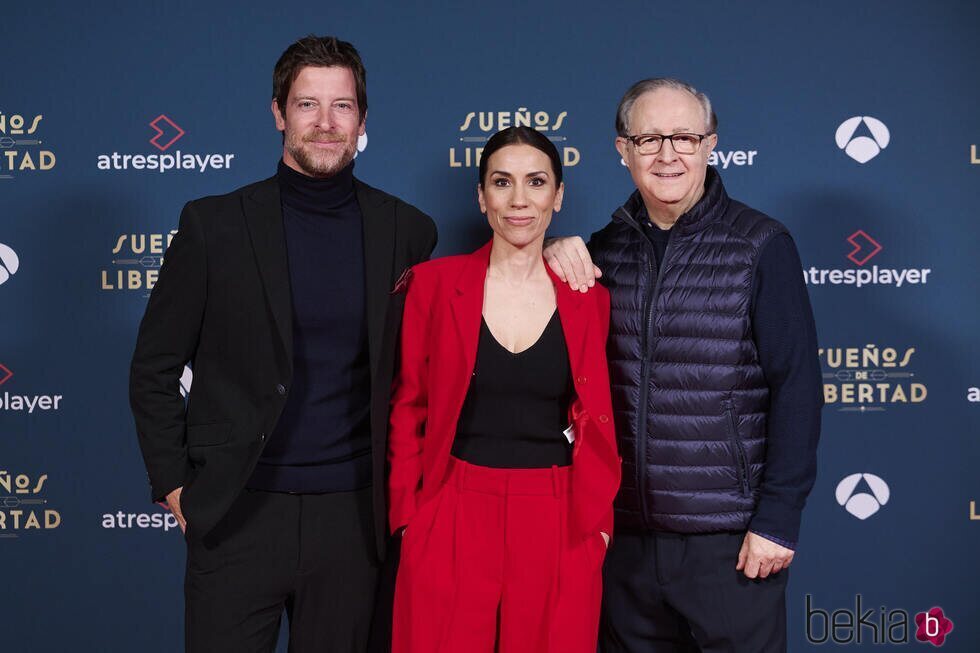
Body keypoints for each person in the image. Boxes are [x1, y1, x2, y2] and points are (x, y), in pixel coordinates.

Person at [129, 35, 436, 653]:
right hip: (239, 511)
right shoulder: (213, 226)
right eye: (307, 105)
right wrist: (174, 485)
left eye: (342, 106)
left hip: (354, 520)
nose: (325, 124)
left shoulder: (406, 230)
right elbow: (155, 367)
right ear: (278, 113)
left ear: (362, 119)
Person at [544, 78, 822, 652]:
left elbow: (797, 388)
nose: (667, 154)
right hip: (625, 544)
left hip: (731, 545)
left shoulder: (760, 245)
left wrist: (777, 520)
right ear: (622, 150)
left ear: (710, 145)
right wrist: (547, 252)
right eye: (648, 139)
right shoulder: (601, 253)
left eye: (684, 137)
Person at [387, 126, 621, 653]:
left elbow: (601, 412)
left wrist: (597, 526)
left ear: (557, 197)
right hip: (451, 507)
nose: (519, 200)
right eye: (501, 182)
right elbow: (409, 407)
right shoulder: (434, 285)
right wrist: (410, 519)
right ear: (481, 196)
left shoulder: (590, 296)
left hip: (559, 515)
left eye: (536, 182)